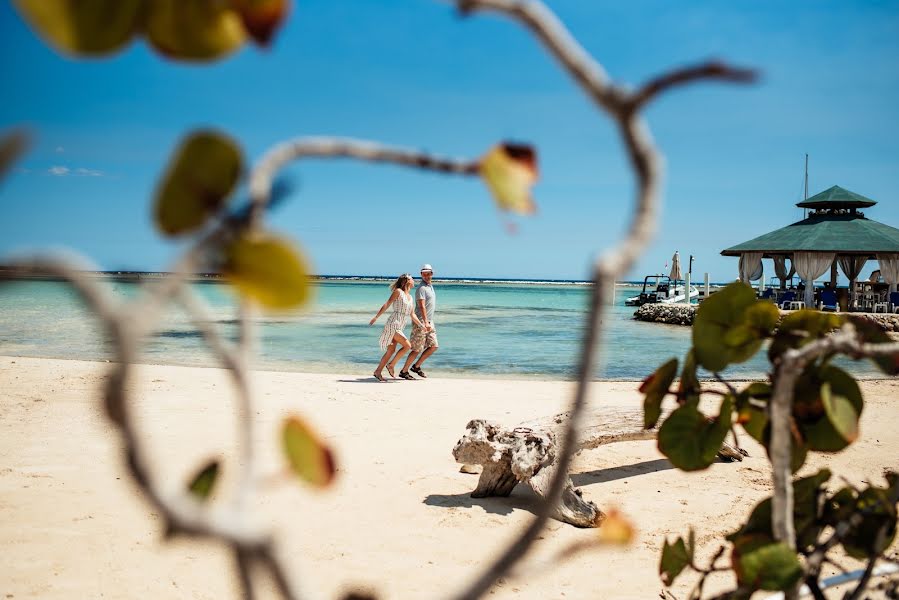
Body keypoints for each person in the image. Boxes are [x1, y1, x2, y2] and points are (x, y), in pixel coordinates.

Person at [369, 274, 426, 382]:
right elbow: (387, 304)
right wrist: (376, 317)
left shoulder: (410, 297)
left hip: (401, 325)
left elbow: (412, 314)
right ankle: (391, 365)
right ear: (407, 281)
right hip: (393, 323)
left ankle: (378, 371)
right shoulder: (398, 292)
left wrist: (421, 326)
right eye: (412, 278)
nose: (414, 280)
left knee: (391, 351)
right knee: (407, 346)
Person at [400, 264, 438, 380]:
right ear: (421, 274)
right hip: (421, 322)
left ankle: (416, 367)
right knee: (417, 348)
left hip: (429, 322)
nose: (426, 276)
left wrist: (429, 322)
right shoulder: (421, 288)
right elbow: (421, 306)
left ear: (432, 274)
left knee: (434, 346)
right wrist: (425, 323)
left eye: (428, 274)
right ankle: (404, 371)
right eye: (424, 274)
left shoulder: (429, 286)